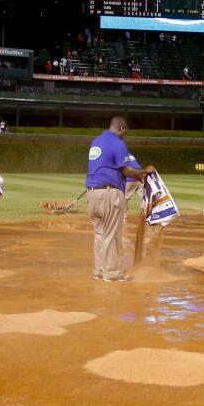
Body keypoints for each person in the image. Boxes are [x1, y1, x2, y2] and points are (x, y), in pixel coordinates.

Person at [86, 116, 154, 282]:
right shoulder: (117, 143)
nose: (125, 135)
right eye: (125, 132)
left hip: (92, 193)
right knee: (111, 234)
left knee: (100, 235)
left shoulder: (96, 141)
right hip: (109, 193)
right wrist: (144, 171)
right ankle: (111, 273)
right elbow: (126, 171)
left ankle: (99, 271)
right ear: (121, 128)